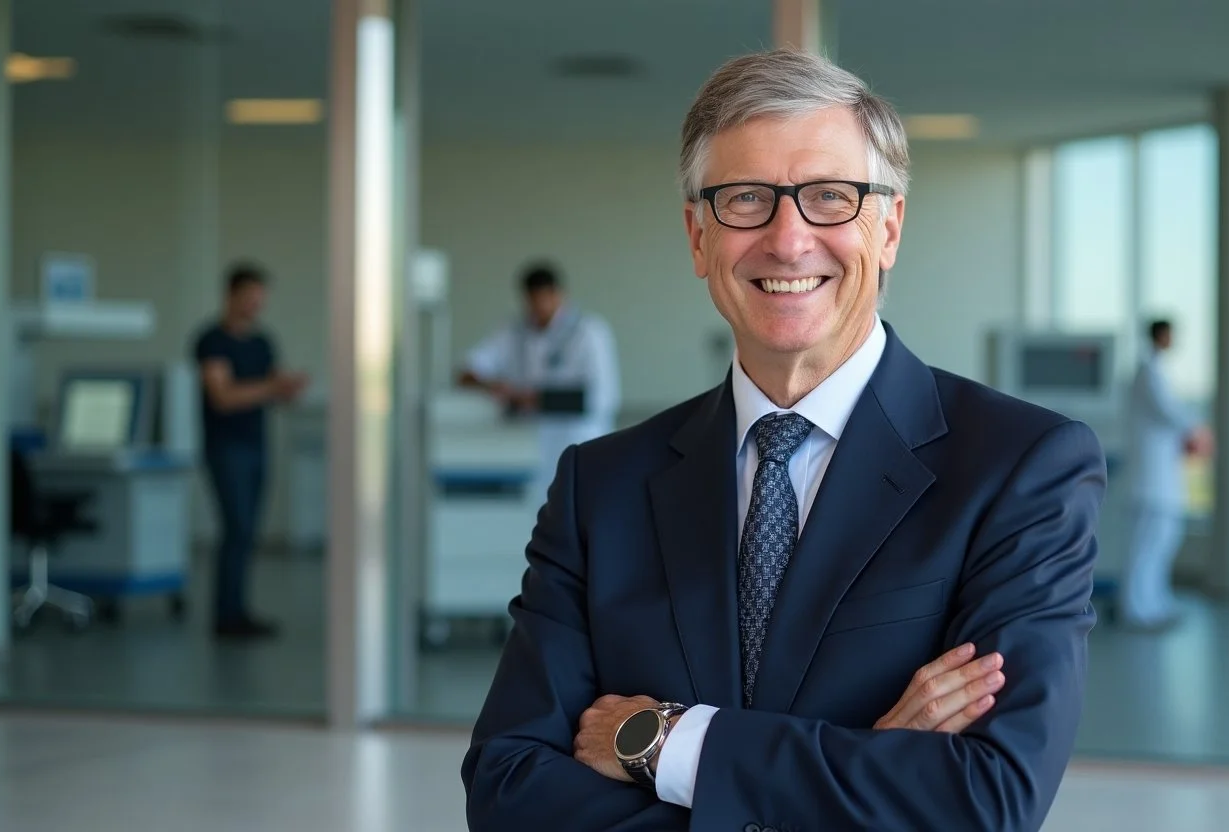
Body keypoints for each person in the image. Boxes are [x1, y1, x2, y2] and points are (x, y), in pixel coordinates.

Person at [461, 50, 1106, 830]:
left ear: (889, 227)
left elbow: (985, 800)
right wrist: (866, 772)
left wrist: (671, 745)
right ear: (698, 237)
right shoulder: (600, 487)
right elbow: (508, 789)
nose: (789, 239)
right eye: (745, 199)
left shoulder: (1019, 468)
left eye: (830, 197)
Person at [192, 263, 307, 639]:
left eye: (260, 299)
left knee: (248, 532)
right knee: (236, 528)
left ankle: (238, 610)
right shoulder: (212, 341)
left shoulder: (262, 343)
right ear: (231, 295)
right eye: (249, 298)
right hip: (225, 448)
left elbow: (270, 388)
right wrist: (270, 388)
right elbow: (222, 397)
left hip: (257, 446)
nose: (256, 305)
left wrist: (286, 389)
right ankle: (226, 616)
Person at [458, 262, 620, 498]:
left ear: (559, 295)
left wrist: (534, 399)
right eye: (531, 301)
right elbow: (467, 370)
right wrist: (491, 385)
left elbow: (603, 398)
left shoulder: (589, 332)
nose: (537, 308)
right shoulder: (513, 331)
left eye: (543, 299)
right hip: (531, 451)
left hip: (579, 443)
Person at [1119, 319, 1210, 630]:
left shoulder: (1156, 371)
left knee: (1162, 544)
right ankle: (1136, 609)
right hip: (1150, 481)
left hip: (1162, 480)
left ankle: (1155, 603)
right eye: (1170, 334)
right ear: (1160, 335)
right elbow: (1170, 412)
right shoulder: (1148, 372)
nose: (1173, 339)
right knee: (1147, 547)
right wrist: (1198, 431)